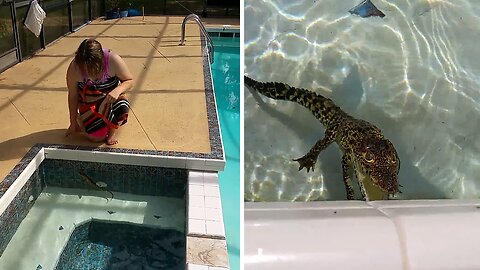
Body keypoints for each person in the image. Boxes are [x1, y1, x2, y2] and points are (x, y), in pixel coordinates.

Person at [65, 39, 133, 145]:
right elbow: (73, 96)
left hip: (110, 98)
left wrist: (117, 91)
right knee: (96, 138)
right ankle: (81, 119)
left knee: (122, 108)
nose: (88, 71)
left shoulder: (113, 60)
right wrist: (73, 122)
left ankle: (111, 133)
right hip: (90, 102)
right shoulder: (75, 68)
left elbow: (129, 81)